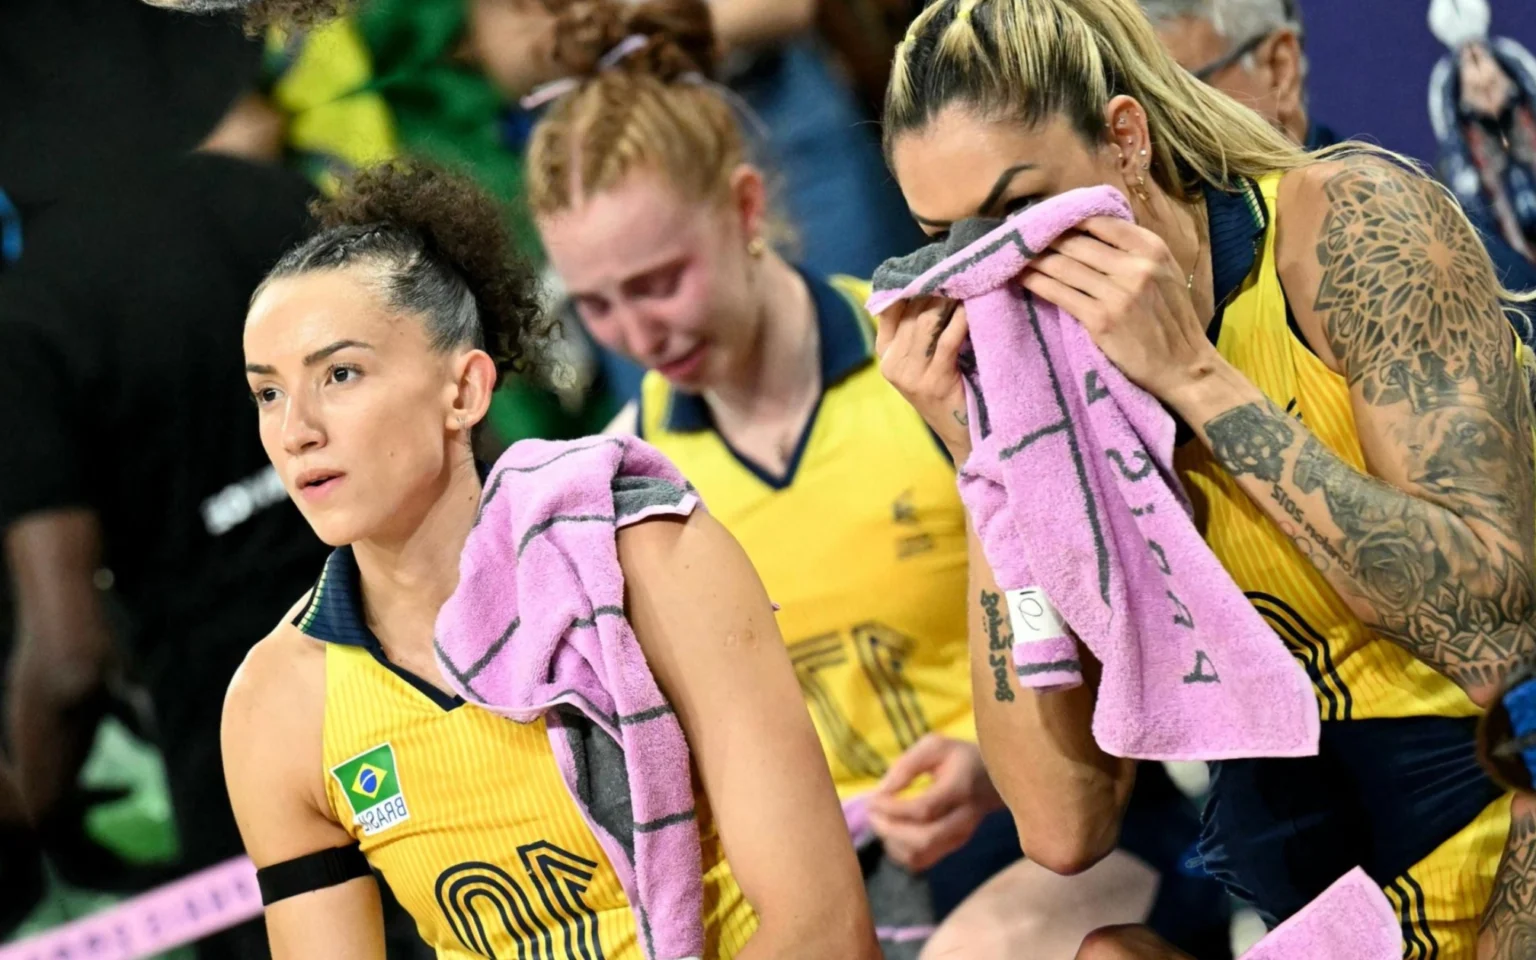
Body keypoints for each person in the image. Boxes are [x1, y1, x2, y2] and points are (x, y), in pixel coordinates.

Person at [525, 2, 1233, 957]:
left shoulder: (943, 361)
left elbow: (1127, 633)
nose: (639, 334)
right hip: (831, 883)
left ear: (744, 209)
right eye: (598, 305)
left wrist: (988, 766)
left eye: (659, 280)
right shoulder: (619, 491)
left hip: (1061, 838)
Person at [873, 1, 1536, 958]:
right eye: (952, 241)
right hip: (1330, 900)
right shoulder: (1046, 397)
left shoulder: (1346, 226)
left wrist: (1197, 381)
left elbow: (1494, 628)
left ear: (1124, 140)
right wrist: (987, 466)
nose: (999, 273)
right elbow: (1065, 826)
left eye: (1021, 214)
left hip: (1499, 812)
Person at [222, 159, 878, 960]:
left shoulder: (648, 557)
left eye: (341, 374)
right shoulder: (274, 706)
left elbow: (826, 931)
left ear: (463, 391)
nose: (297, 431)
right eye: (269, 393)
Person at [0, 122, 328, 957]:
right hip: (435, 672)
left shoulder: (30, 318)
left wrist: (26, 817)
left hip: (245, 770)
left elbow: (70, 656)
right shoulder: (274, 196)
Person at [1139, 0, 1536, 319]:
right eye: (1123, 108)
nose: (1146, 141)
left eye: (1175, 98)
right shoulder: (1133, 275)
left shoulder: (1427, 255)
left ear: (1279, 70)